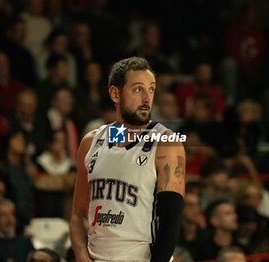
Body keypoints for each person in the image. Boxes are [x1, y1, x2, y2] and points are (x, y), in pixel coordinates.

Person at [70, 57, 185, 262]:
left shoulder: (165, 142)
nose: (147, 99)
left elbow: (171, 221)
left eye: (151, 89)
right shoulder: (91, 142)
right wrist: (81, 256)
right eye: (138, 90)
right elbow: (78, 215)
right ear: (115, 94)